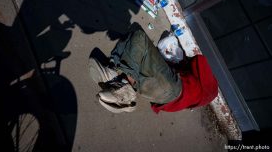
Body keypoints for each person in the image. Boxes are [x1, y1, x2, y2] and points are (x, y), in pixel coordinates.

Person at [88, 24, 218, 113]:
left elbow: (199, 60)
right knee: (135, 53)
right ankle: (117, 77)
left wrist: (184, 60)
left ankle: (123, 83)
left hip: (172, 87)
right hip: (161, 99)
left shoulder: (209, 84)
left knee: (139, 37)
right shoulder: (194, 99)